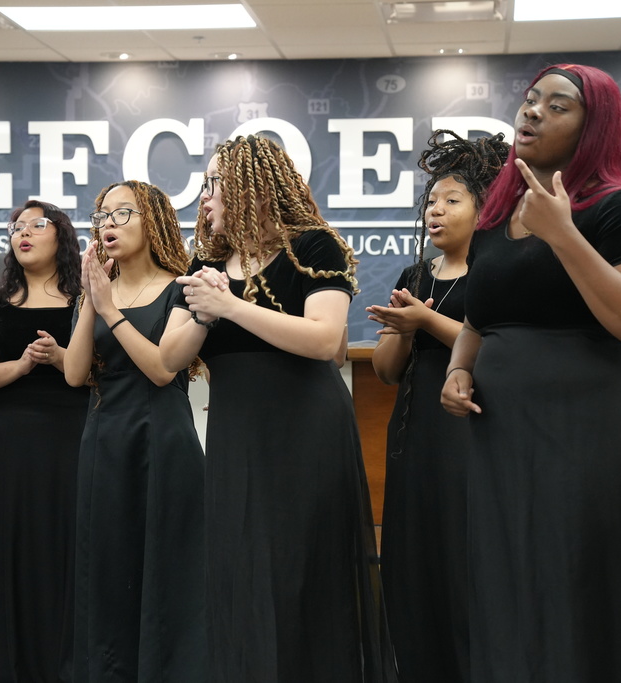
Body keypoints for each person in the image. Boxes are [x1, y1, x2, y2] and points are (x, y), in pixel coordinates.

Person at [440, 64, 621, 683]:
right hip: (500, 434)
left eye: (559, 105)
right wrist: (459, 370)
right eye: (530, 99)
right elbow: (480, 317)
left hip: (584, 432)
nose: (534, 111)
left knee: (574, 576)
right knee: (509, 576)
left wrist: (564, 235)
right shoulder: (497, 217)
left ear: (593, 128)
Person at [159, 135, 397, 683]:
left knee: (302, 572)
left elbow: (323, 339)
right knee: (241, 571)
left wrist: (230, 306)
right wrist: (204, 311)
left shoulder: (313, 247)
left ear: (252, 189)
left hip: (305, 433)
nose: (205, 196)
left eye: (216, 183)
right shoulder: (209, 261)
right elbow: (170, 359)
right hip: (237, 438)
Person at [366, 130, 508, 683]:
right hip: (413, 441)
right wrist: (405, 327)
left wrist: (428, 322)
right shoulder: (414, 277)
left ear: (482, 208)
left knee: (463, 567)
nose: (437, 211)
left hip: (468, 437)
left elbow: (496, 351)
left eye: (453, 201)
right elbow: (383, 370)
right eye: (432, 201)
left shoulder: (496, 274)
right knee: (413, 565)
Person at [63, 180, 206, 681]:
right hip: (104, 440)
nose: (107, 224)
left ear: (155, 220)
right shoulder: (99, 289)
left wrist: (108, 309)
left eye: (122, 214)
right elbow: (75, 373)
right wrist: (89, 299)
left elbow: (164, 370)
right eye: (102, 215)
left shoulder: (181, 286)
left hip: (163, 440)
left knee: (166, 567)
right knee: (107, 567)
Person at [0, 200, 89, 683]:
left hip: (72, 435)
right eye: (15, 226)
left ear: (63, 236)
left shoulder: (88, 297)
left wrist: (59, 359)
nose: (23, 232)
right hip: (6, 439)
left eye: (37, 224)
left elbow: (105, 372)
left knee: (67, 550)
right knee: (7, 551)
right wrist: (21, 365)